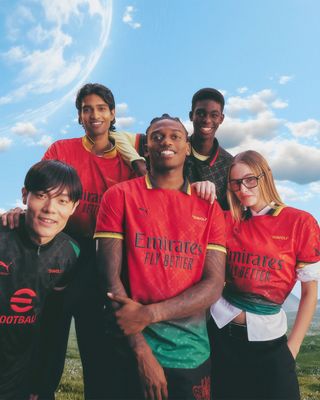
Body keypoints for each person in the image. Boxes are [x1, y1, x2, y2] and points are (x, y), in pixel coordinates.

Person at [0, 84, 216, 399]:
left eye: (101, 108)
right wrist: (19, 212)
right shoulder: (63, 149)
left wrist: (199, 186)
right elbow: (38, 186)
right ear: (79, 116)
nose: (94, 115)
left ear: (113, 114)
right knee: (43, 342)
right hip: (59, 252)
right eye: (86, 109)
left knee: (99, 349)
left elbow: (173, 151)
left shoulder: (130, 156)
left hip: (104, 259)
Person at [94, 114, 226, 400]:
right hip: (130, 348)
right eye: (157, 136)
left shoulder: (209, 208)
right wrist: (141, 350)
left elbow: (214, 284)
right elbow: (108, 277)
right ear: (146, 149)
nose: (166, 140)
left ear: (188, 147)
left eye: (175, 135)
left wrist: (149, 314)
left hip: (191, 353)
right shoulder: (119, 196)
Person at [209, 150, 320, 400]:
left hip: (270, 343)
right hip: (221, 335)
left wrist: (293, 347)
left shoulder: (300, 223)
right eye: (235, 182)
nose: (242, 188)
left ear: (265, 176)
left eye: (249, 179)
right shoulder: (227, 220)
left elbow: (310, 292)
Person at [0, 160, 82, 400]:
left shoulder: (70, 253)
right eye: (41, 195)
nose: (50, 208)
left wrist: (41, 381)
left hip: (20, 378)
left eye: (62, 201)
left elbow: (53, 322)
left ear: (74, 207)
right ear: (25, 195)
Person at [113, 87, 233, 209]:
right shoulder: (166, 145)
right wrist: (137, 161)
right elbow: (114, 135)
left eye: (214, 115)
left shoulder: (229, 164)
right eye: (201, 113)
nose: (207, 120)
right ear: (191, 116)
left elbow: (230, 210)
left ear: (221, 119)